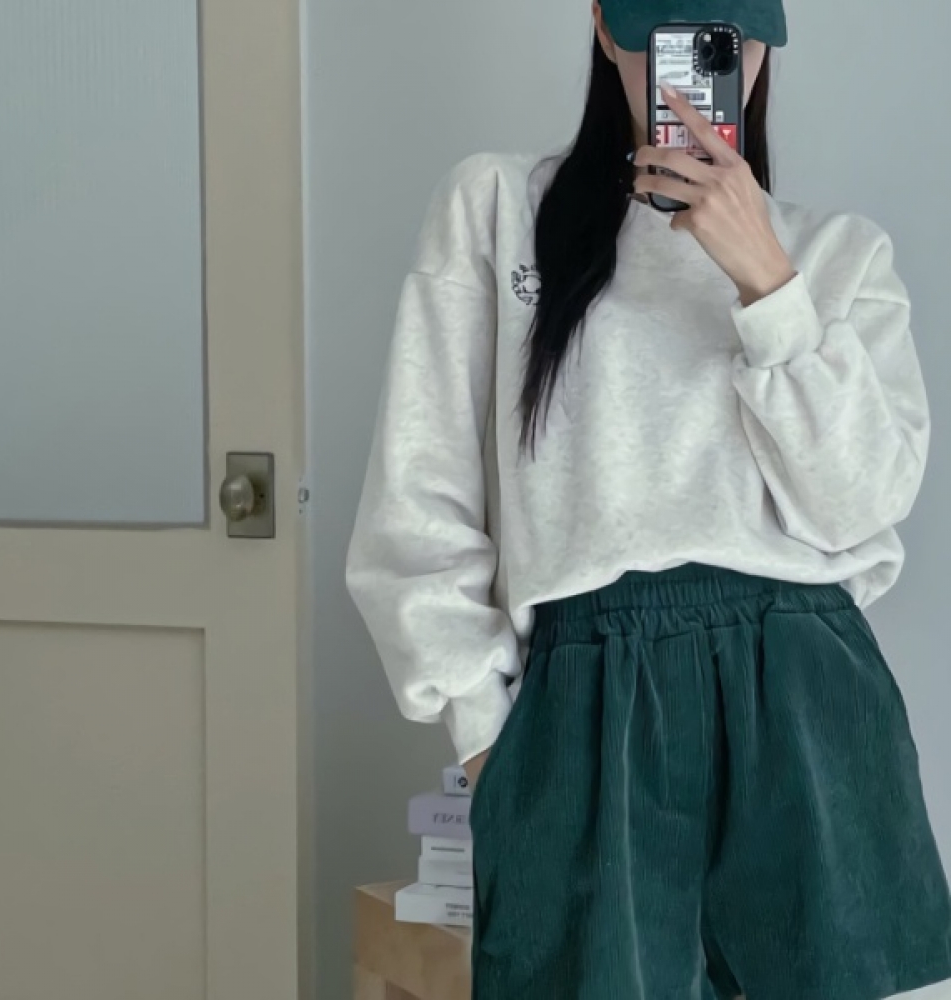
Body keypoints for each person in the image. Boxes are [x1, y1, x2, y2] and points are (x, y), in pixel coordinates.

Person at [346, 0, 951, 996]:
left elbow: (860, 505)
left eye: (723, 40)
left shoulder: (839, 255)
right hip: (588, 697)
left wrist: (768, 284)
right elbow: (418, 504)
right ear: (604, 28)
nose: (690, 68)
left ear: (762, 51)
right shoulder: (497, 208)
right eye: (663, 31)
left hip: (806, 694)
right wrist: (489, 740)